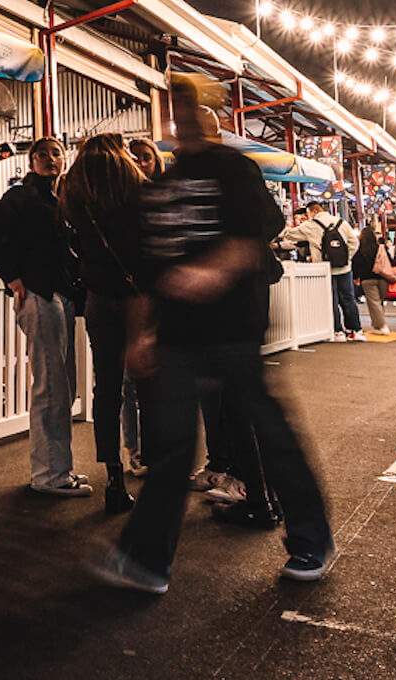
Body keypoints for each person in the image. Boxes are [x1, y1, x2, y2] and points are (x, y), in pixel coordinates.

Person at [96, 74, 333, 593]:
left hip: (233, 327)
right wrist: (140, 335)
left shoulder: (233, 169)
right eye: (172, 105)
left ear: (210, 115)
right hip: (177, 335)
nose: (179, 114)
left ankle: (311, 538)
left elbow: (256, 233)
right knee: (171, 445)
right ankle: (147, 559)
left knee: (268, 433)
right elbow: (142, 273)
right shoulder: (155, 189)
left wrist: (214, 271)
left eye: (188, 105)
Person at [0, 136, 89, 497]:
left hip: (59, 295)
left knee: (61, 384)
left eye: (56, 153)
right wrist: (11, 277)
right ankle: (49, 476)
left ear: (64, 158)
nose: (50, 159)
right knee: (51, 386)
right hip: (39, 296)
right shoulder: (21, 197)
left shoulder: (61, 199)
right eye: (42, 154)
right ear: (32, 161)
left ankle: (59, 469)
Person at [59, 133, 147, 512]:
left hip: (98, 299)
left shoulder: (74, 190)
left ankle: (113, 477)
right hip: (137, 298)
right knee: (148, 385)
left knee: (106, 388)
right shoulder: (132, 185)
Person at [278, 199, 363, 341]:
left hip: (324, 270)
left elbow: (289, 234)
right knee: (348, 298)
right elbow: (354, 242)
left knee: (330, 300)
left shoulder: (310, 225)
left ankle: (337, 332)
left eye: (308, 213)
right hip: (344, 268)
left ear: (314, 211)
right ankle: (355, 330)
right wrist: (346, 258)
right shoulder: (341, 222)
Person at [353, 218, 394, 333]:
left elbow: (356, 264)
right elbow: (390, 261)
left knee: (374, 303)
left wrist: (356, 277)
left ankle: (382, 326)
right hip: (383, 277)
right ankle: (377, 325)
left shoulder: (360, 250)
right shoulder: (381, 248)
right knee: (379, 302)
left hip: (367, 279)